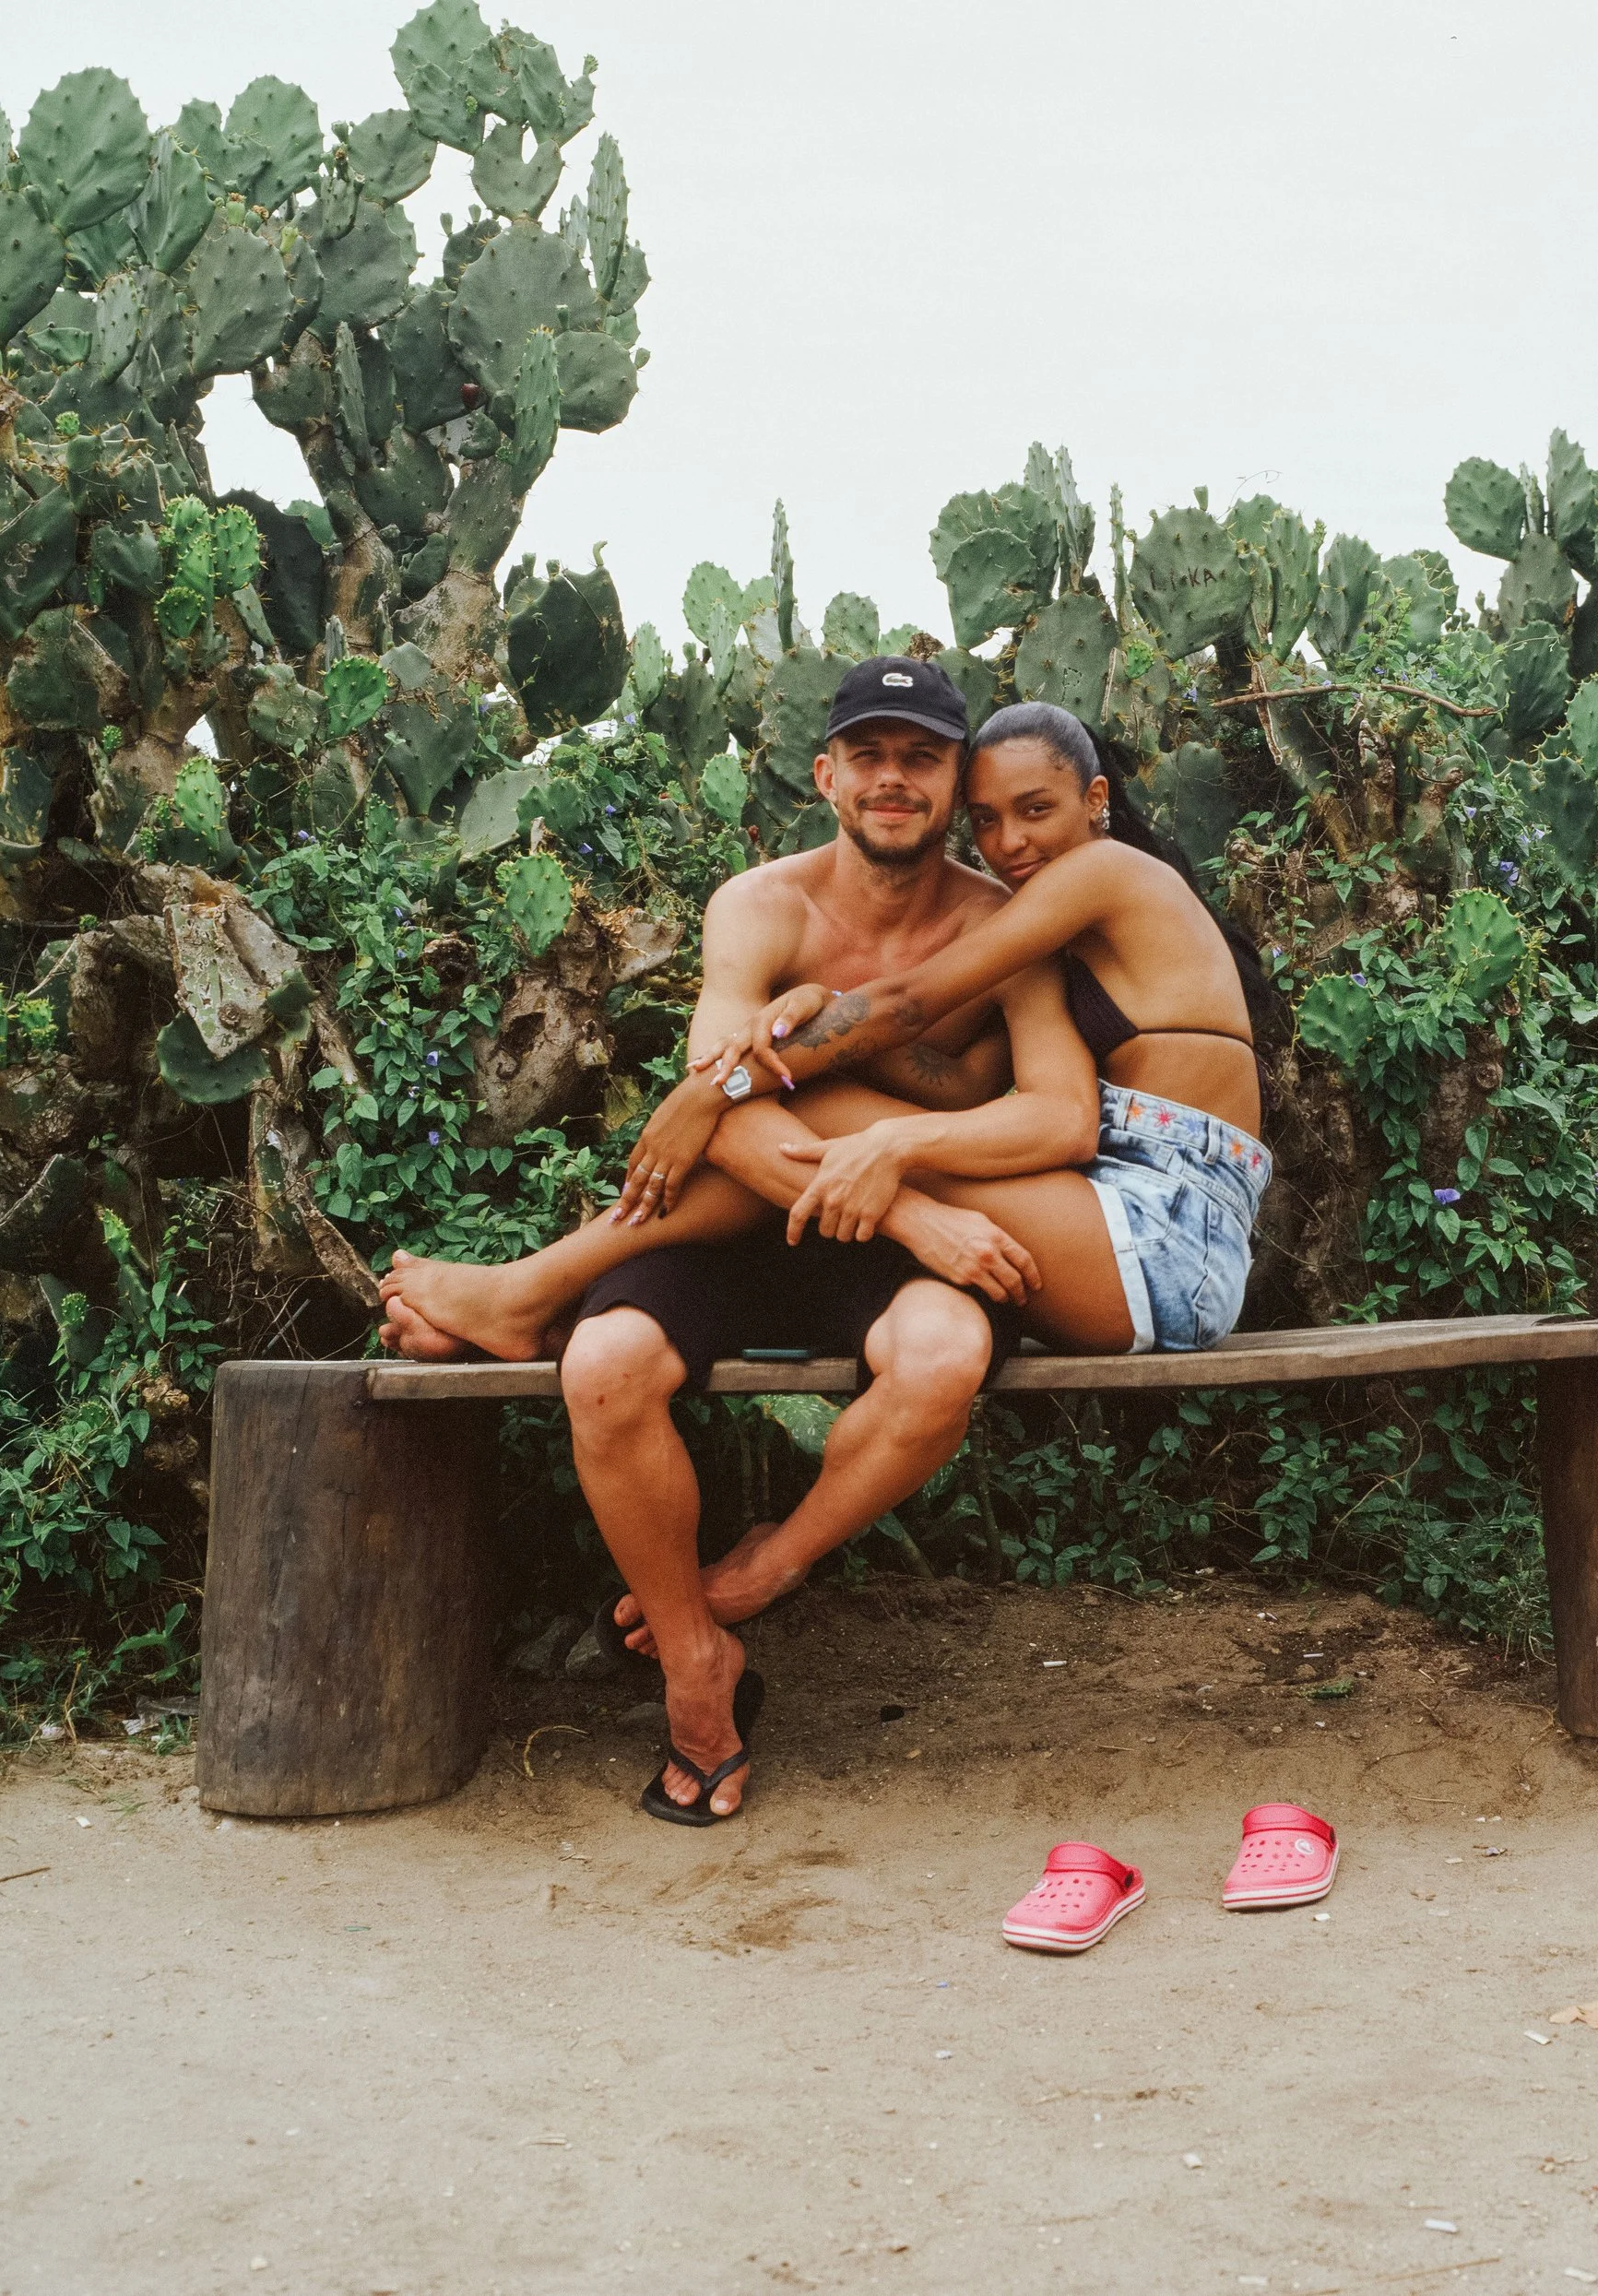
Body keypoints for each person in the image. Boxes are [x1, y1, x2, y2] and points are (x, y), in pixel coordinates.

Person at [381, 662, 1130, 1823]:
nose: (893, 779)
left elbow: (1054, 1113)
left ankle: (756, 1573)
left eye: (922, 757)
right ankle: (693, 1664)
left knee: (940, 1363)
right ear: (823, 772)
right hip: (747, 1229)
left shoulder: (1003, 926)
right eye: (868, 755)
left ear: (952, 782)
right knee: (605, 1364)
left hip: (885, 1263)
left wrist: (880, 1174)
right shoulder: (760, 906)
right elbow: (720, 1118)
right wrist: (915, 1202)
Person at [676, 698, 1273, 1358]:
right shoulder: (1070, 919)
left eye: (1035, 809)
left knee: (796, 1102)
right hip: (1140, 1224)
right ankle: (561, 1282)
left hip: (1167, 1233)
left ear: (1094, 796)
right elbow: (960, 1084)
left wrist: (707, 1092)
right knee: (803, 1111)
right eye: (985, 820)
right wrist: (819, 1001)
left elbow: (909, 1004)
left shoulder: (1102, 872)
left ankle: (560, 1276)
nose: (1009, 842)